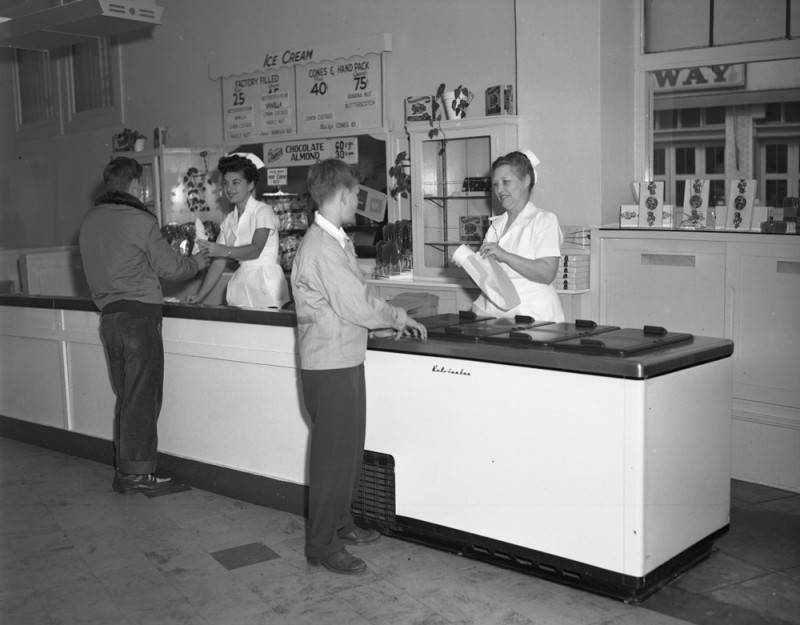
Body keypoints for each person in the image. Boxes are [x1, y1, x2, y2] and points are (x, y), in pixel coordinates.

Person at [291, 159, 427, 575]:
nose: (359, 204)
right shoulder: (320, 248)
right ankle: (322, 544)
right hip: (329, 366)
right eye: (355, 195)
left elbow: (354, 299)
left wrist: (381, 321)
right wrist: (397, 317)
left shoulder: (336, 242)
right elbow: (354, 302)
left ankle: (341, 521)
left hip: (345, 358)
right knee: (333, 457)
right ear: (343, 194)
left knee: (348, 451)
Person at [79, 156, 210, 494]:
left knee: (127, 396)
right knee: (143, 398)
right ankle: (137, 474)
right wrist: (198, 261)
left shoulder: (90, 221)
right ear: (136, 185)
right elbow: (171, 268)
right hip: (139, 318)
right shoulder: (139, 220)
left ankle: (127, 470)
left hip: (109, 319)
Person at [471, 149, 565, 322]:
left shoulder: (544, 221)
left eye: (506, 182)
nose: (500, 190)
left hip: (535, 319)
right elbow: (491, 279)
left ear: (526, 181)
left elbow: (547, 273)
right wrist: (469, 262)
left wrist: (505, 255)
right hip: (496, 318)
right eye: (495, 184)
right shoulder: (495, 226)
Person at [188, 153, 289, 309]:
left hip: (267, 285)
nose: (229, 188)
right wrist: (199, 296)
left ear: (250, 185)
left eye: (236, 182)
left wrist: (223, 250)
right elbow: (218, 263)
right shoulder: (229, 220)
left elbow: (255, 250)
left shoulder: (263, 211)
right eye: (226, 183)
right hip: (243, 284)